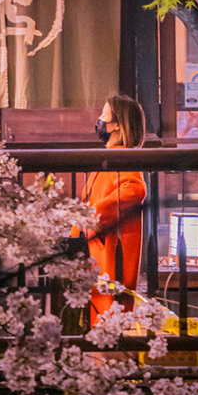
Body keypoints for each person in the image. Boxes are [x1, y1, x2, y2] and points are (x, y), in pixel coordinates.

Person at [81, 95, 147, 326]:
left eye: (104, 114)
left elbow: (135, 190)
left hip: (110, 246)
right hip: (99, 243)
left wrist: (91, 213)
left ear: (117, 124)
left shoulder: (123, 157)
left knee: (108, 312)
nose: (99, 119)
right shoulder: (113, 154)